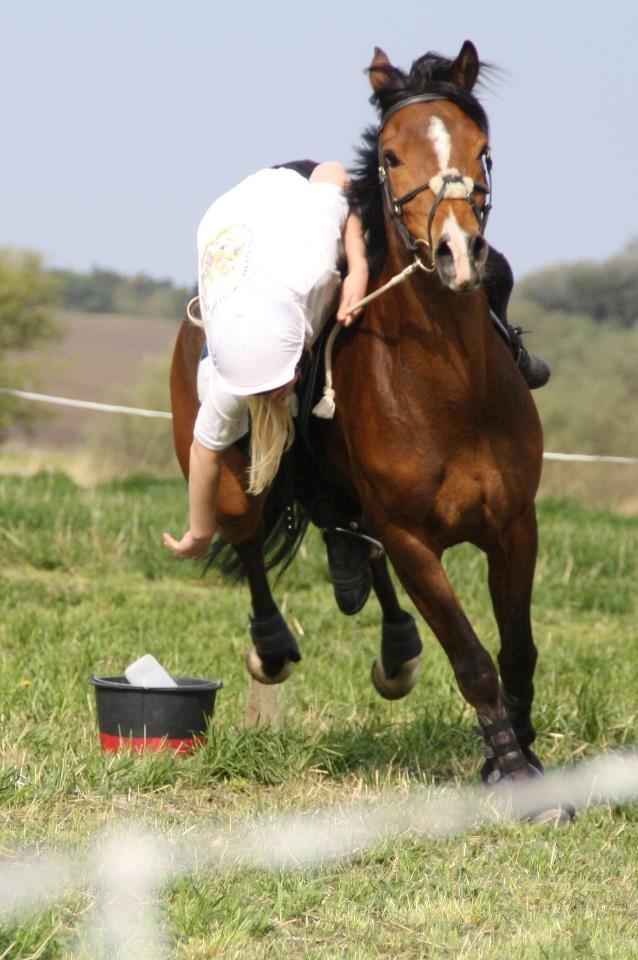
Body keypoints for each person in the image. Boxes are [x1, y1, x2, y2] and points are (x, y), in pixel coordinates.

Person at [163, 160, 368, 566]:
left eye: (276, 384)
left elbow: (332, 173)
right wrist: (199, 533)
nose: (273, 393)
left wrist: (359, 267)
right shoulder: (225, 378)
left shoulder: (313, 267)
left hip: (282, 194)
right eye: (261, 390)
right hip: (227, 228)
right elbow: (204, 453)